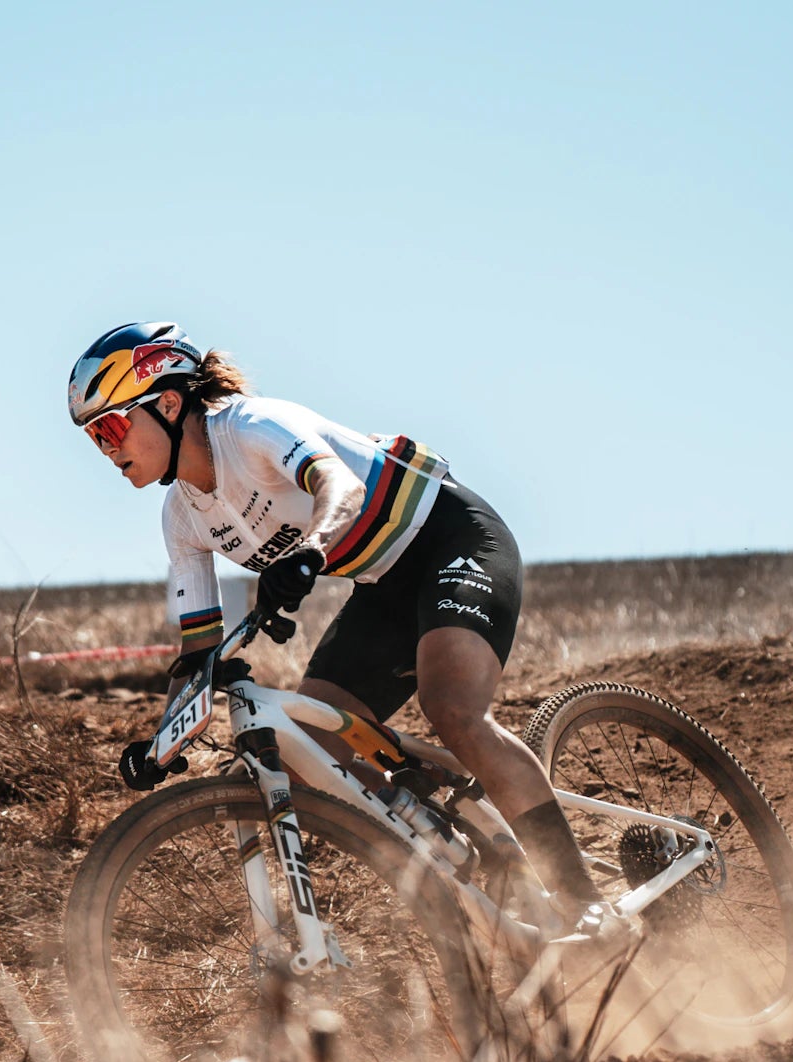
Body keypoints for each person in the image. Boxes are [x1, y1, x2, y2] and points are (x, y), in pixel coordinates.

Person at [68, 320, 616, 934]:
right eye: (94, 438)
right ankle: (467, 836)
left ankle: (583, 898)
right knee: (310, 746)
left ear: (169, 404)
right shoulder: (182, 517)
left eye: (111, 428)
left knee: (451, 707)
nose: (107, 449)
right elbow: (197, 650)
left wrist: (311, 550)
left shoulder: (250, 426)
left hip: (451, 538)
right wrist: (161, 743)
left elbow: (341, 487)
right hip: (383, 584)